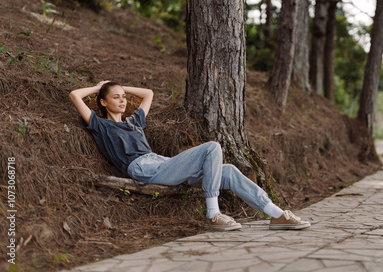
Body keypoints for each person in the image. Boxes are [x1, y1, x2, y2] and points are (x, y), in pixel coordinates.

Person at [69, 81, 311, 231]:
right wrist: (99, 85)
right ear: (103, 102)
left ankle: (276, 214)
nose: (122, 100)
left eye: (123, 96)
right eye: (115, 97)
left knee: (229, 171)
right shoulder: (101, 125)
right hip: (142, 169)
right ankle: (213, 214)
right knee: (212, 147)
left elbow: (148, 93)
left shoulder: (135, 122)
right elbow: (74, 95)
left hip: (161, 163)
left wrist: (120, 86)